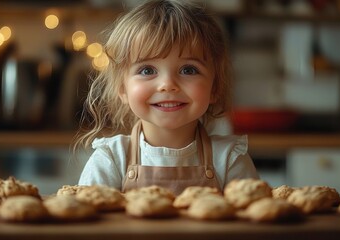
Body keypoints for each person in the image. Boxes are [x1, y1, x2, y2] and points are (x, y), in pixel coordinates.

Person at [76, 0, 258, 195]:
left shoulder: (229, 159)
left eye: (188, 69)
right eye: (147, 70)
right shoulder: (111, 159)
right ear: (122, 88)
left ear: (214, 88)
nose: (167, 84)